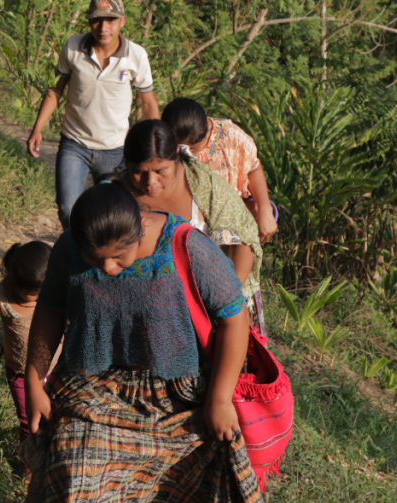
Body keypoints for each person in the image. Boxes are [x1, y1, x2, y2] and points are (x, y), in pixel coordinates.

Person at [24, 183, 283, 503]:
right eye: (96, 259)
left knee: (208, 454)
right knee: (72, 454)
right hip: (97, 386)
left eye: (119, 257)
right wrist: (35, 381)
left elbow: (234, 319)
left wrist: (218, 399)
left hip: (178, 390)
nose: (107, 268)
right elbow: (50, 309)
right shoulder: (71, 247)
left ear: (141, 227)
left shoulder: (187, 246)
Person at [118, 120, 267, 333]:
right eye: (139, 172)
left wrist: (226, 302)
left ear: (177, 158)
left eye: (161, 170)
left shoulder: (203, 184)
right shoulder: (117, 194)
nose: (150, 181)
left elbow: (244, 240)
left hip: (213, 310)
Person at [26, 0, 160, 230]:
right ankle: (77, 253)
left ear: (122, 22)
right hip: (74, 144)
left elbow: (147, 102)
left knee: (111, 214)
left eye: (110, 20)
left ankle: (98, 257)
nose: (103, 27)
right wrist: (37, 128)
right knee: (68, 208)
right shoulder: (73, 47)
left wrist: (155, 148)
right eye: (97, 20)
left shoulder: (135, 55)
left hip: (115, 150)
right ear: (89, 21)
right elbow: (56, 89)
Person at [162, 97, 278, 245]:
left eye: (192, 148)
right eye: (179, 147)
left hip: (228, 219)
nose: (185, 152)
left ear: (205, 132)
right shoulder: (161, 142)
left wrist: (264, 209)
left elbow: (252, 168)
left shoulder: (232, 137)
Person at [0, 242, 57, 443]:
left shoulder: (57, 291)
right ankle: (27, 469)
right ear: (13, 280)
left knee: (56, 420)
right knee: (30, 423)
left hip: (57, 371)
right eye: (29, 296)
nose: (34, 301)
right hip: (20, 372)